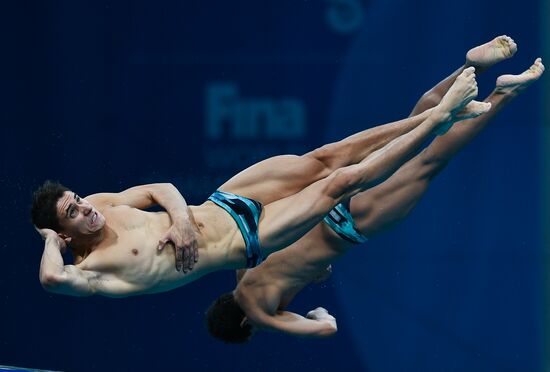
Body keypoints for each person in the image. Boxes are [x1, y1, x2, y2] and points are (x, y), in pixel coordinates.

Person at [32, 60, 487, 297]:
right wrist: (50, 241)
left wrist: (182, 220)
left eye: (77, 198)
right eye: (73, 212)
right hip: (248, 238)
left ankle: (429, 118)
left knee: (326, 158)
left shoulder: (104, 205)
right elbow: (52, 280)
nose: (85, 206)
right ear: (65, 234)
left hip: (223, 202)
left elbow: (158, 189)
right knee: (338, 186)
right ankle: (439, 118)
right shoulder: (92, 271)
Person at [204, 38, 545, 342]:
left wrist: (315, 314)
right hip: (326, 200)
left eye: (254, 332)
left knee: (431, 161)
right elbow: (291, 257)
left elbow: (326, 327)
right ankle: (473, 67)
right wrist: (312, 271)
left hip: (351, 224)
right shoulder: (241, 266)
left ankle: (503, 93)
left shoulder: (262, 313)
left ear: (244, 324)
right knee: (419, 120)